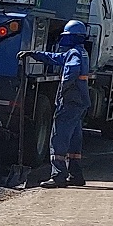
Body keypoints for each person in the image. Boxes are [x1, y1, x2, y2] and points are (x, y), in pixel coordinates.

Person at [23, 19, 91, 188]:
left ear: (72, 37)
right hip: (80, 101)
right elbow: (55, 58)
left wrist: (62, 90)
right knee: (75, 139)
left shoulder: (74, 54)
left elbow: (72, 71)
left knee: (58, 137)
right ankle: (76, 175)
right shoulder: (80, 52)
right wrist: (34, 53)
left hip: (70, 101)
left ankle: (58, 176)